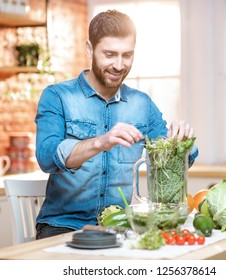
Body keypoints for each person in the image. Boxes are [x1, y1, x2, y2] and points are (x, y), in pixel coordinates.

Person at [34, 10, 199, 239]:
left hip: (120, 227)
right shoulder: (57, 96)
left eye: (127, 55)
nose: (119, 65)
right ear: (90, 49)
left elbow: (177, 161)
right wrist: (101, 142)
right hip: (64, 226)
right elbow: (46, 156)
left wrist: (182, 144)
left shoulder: (143, 104)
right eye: (110, 54)